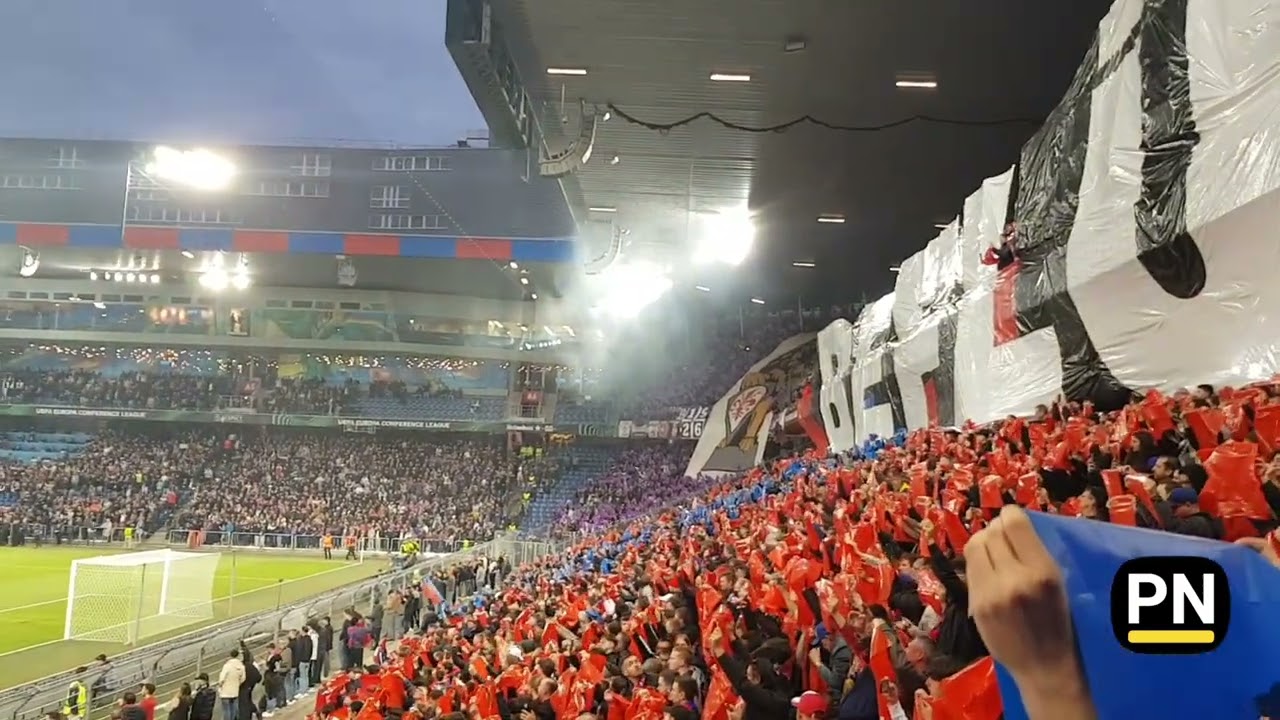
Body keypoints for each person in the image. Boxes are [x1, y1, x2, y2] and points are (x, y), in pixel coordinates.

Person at [217, 649, 244, 720]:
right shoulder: (241, 666)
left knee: (226, 710)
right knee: (233, 710)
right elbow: (243, 679)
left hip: (225, 692)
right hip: (235, 691)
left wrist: (220, 686)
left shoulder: (227, 666)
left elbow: (221, 678)